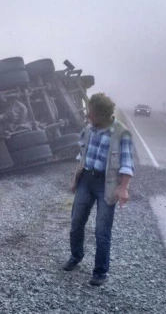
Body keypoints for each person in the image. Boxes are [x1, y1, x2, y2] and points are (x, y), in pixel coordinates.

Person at [62, 93, 134, 286]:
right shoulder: (88, 130)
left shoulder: (122, 133)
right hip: (86, 179)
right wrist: (75, 178)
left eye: (91, 114)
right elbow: (82, 155)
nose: (88, 117)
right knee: (76, 222)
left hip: (107, 184)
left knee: (102, 230)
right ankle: (76, 256)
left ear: (102, 114)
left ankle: (100, 272)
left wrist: (124, 188)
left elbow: (127, 165)